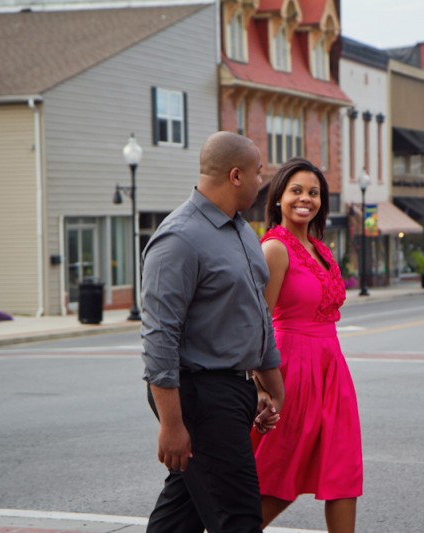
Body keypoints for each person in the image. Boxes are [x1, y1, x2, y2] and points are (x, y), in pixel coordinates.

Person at [141, 131, 285, 533]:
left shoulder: (241, 232)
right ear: (236, 175)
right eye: (258, 172)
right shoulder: (179, 239)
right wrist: (172, 424)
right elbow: (159, 337)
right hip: (200, 395)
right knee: (237, 517)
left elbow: (257, 314)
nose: (263, 180)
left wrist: (271, 386)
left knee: (181, 514)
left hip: (232, 392)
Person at [252, 158, 363, 533]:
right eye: (296, 191)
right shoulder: (274, 248)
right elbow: (258, 324)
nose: (306, 199)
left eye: (313, 192)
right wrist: (261, 386)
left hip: (333, 369)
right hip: (293, 369)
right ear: (278, 197)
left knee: (343, 471)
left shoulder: (319, 247)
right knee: (281, 475)